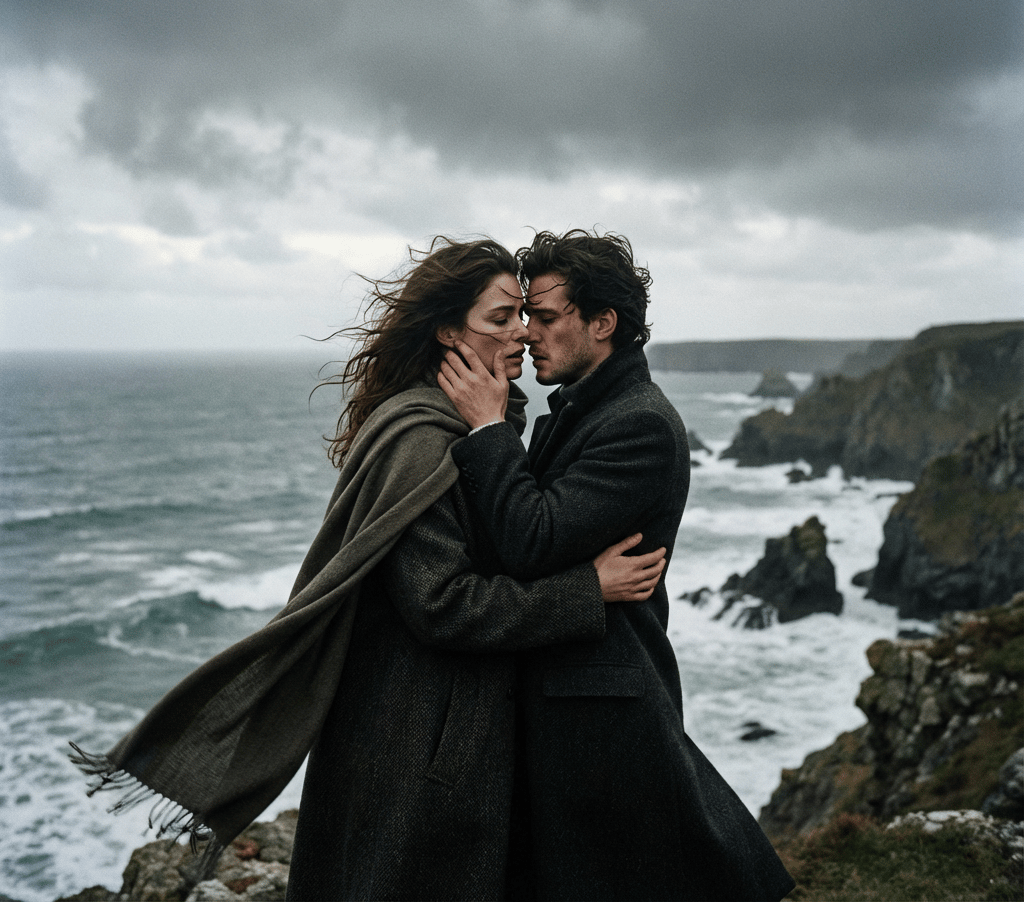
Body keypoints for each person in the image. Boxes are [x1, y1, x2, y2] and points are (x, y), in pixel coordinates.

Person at [72, 237, 665, 902]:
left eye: (527, 316)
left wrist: (493, 432)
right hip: (415, 742)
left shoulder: (476, 429)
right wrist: (587, 590)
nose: (522, 334)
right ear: (447, 331)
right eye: (501, 319)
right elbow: (442, 603)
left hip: (437, 729)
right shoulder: (427, 439)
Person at [438, 229, 796, 902]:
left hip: (602, 719)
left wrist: (488, 431)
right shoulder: (583, 411)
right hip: (568, 700)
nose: (526, 334)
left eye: (543, 317)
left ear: (602, 323)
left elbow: (531, 543)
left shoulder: (639, 425)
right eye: (518, 318)